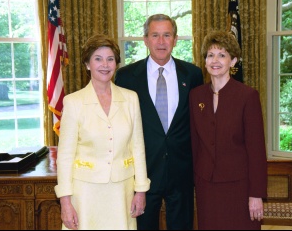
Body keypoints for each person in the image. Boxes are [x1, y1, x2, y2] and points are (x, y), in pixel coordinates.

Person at [115, 14, 204, 230]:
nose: (161, 41)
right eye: (155, 35)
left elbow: (198, 123)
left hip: (181, 173)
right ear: (145, 39)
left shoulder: (193, 74)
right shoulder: (126, 77)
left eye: (167, 35)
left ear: (175, 40)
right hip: (143, 174)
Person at [54, 34, 151, 230]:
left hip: (121, 192)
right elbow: (65, 157)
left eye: (110, 59)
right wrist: (65, 202)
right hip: (85, 194)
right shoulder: (73, 102)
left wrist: (141, 190)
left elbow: (138, 148)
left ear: (116, 63)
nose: (105, 65)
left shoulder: (131, 99)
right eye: (98, 59)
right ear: (87, 64)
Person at [189, 30, 267, 230]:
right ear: (205, 61)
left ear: (233, 62)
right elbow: (194, 144)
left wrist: (256, 194)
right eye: (210, 55)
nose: (215, 60)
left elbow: (256, 150)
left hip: (239, 187)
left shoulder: (247, 96)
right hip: (207, 186)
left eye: (222, 55)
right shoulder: (195, 96)